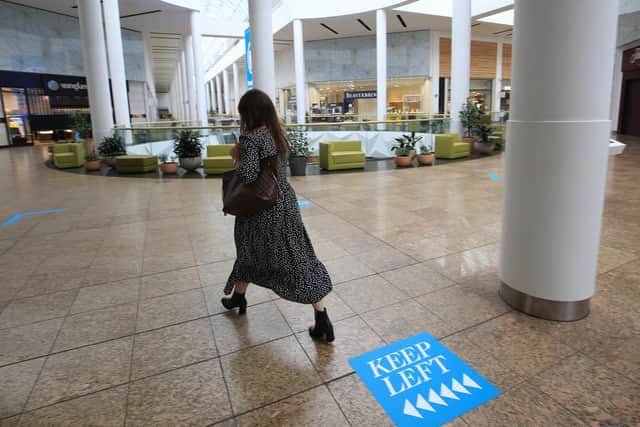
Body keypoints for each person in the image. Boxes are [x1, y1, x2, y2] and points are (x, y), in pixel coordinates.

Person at [221, 89, 334, 343]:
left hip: (260, 210)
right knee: (296, 256)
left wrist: (236, 156)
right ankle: (320, 317)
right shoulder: (277, 134)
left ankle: (321, 318)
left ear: (249, 113)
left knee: (251, 250)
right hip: (285, 203)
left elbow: (249, 177)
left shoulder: (251, 139)